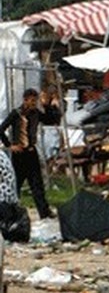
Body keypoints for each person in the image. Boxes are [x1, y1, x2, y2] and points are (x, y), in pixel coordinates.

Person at [0, 88, 60, 219]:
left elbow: (52, 120)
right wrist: (10, 145)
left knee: (37, 184)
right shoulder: (16, 113)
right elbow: (1, 129)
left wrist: (47, 105)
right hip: (19, 154)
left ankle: (44, 212)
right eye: (31, 101)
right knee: (16, 184)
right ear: (25, 100)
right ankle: (10, 211)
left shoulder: (36, 113)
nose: (33, 104)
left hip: (31, 152)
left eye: (35, 101)